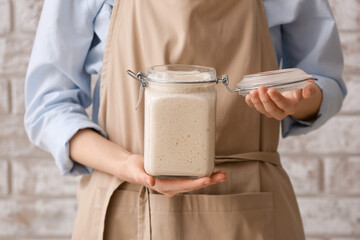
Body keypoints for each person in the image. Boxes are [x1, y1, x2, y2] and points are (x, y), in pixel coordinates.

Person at [24, 0, 346, 239]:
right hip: (124, 206)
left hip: (252, 218)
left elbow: (322, 80)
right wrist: (125, 164)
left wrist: (298, 101)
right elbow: (49, 105)